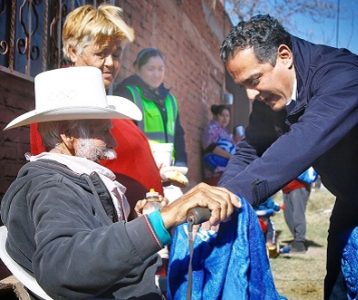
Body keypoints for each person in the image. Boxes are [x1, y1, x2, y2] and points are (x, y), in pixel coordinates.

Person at [1, 66, 240, 299]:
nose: (113, 142)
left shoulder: (68, 180)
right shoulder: (52, 186)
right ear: (68, 134)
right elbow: (62, 266)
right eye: (104, 131)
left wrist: (137, 222)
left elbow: (90, 238)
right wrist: (166, 216)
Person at [219, 14, 358, 299]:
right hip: (351, 200)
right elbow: (250, 150)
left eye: (254, 80)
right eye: (242, 86)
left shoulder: (345, 80)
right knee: (336, 289)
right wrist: (220, 195)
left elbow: (300, 145)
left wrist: (232, 198)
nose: (250, 96)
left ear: (284, 55)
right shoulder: (270, 97)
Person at [29, 4, 163, 214]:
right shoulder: (60, 108)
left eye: (116, 55)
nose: (110, 63)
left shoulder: (104, 101)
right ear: (73, 51)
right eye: (101, 53)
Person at [114, 48, 187, 167]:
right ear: (138, 70)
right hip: (139, 166)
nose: (157, 74)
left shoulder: (170, 100)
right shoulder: (127, 93)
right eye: (151, 69)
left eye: (160, 69)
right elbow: (122, 136)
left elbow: (178, 135)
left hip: (168, 169)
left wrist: (181, 163)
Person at [201, 104, 235, 185]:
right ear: (216, 116)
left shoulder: (225, 132)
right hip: (215, 165)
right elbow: (210, 147)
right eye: (222, 115)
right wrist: (230, 157)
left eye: (227, 116)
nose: (225, 118)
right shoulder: (212, 128)